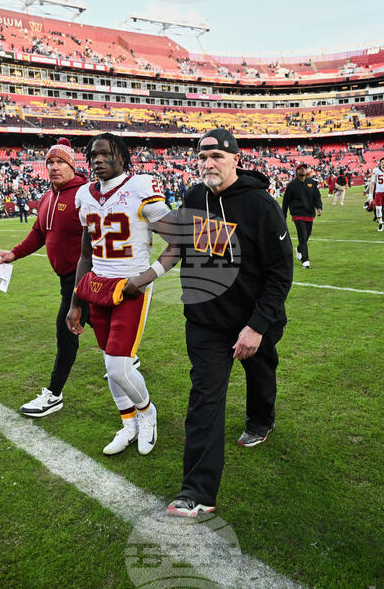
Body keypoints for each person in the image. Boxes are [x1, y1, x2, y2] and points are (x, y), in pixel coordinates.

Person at [146, 127, 293, 518]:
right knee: (205, 398)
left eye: (217, 156)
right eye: (202, 157)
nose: (208, 163)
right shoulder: (195, 197)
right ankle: (198, 491)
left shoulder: (261, 205)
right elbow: (181, 245)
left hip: (254, 317)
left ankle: (261, 420)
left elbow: (280, 272)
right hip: (206, 321)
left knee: (261, 370)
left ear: (235, 160)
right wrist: (144, 275)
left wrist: (257, 326)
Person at [66, 133, 171, 457]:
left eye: (106, 154)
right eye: (93, 155)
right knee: (110, 361)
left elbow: (179, 241)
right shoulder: (84, 195)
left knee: (118, 367)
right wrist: (75, 303)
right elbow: (86, 255)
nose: (98, 160)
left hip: (130, 288)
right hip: (98, 289)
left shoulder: (140, 186)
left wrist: (145, 278)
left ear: (122, 157)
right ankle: (129, 423)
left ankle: (147, 413)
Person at [0, 138, 90, 417]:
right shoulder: (47, 197)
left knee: (66, 331)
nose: (54, 167)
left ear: (72, 166)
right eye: (50, 162)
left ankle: (54, 394)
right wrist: (14, 253)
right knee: (99, 322)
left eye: (60, 161)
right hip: (65, 278)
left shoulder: (85, 194)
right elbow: (39, 232)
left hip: (85, 277)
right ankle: (127, 358)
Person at [281, 163, 322, 269]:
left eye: (304, 168)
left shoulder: (311, 182)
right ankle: (305, 260)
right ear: (296, 171)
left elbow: (317, 196)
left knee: (307, 234)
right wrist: (283, 215)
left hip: (309, 213)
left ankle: (299, 249)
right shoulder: (292, 185)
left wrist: (319, 207)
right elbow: (286, 201)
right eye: (300, 168)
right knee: (302, 236)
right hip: (297, 214)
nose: (303, 170)